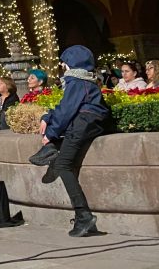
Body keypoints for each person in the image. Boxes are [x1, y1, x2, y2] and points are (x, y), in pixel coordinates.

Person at [29, 45, 114, 237]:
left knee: (64, 166)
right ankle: (50, 151)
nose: (62, 66)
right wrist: (47, 116)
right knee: (64, 157)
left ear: (71, 63)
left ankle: (83, 216)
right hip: (88, 123)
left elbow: (67, 110)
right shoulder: (86, 80)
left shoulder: (75, 80)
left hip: (82, 123)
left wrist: (49, 133)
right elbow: (65, 107)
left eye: (64, 62)